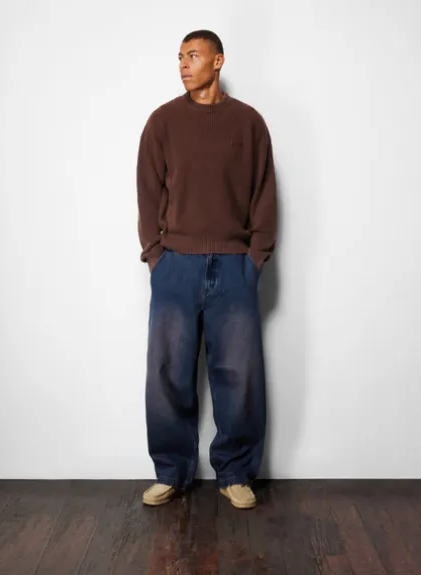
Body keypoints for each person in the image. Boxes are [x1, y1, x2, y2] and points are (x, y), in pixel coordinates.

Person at [136, 29, 277, 509]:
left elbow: (264, 192)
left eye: (193, 56)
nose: (183, 64)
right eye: (179, 57)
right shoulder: (163, 122)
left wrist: (255, 257)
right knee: (168, 374)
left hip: (235, 266)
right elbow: (148, 193)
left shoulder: (249, 123)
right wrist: (155, 255)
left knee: (239, 375)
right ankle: (171, 471)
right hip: (175, 264)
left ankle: (235, 473)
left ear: (218, 61)